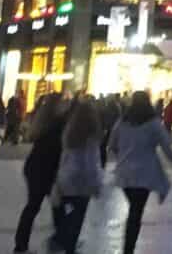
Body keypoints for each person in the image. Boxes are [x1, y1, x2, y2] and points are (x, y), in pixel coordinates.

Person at [110, 90, 172, 254]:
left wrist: (122, 155)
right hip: (144, 174)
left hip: (125, 173)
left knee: (134, 209)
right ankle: (129, 248)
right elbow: (166, 146)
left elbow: (112, 144)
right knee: (136, 212)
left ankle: (128, 247)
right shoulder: (153, 123)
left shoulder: (122, 121)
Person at [13, 93, 70, 254]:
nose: (66, 104)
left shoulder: (44, 120)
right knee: (56, 207)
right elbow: (59, 149)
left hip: (35, 168)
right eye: (63, 102)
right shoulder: (58, 123)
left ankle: (21, 243)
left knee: (35, 206)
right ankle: (61, 241)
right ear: (57, 105)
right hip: (45, 170)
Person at [54, 98, 103, 254]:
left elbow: (64, 156)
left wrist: (59, 178)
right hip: (82, 182)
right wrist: (96, 184)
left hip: (66, 177)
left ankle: (62, 237)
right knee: (78, 216)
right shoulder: (91, 136)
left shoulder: (69, 132)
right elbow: (91, 163)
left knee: (65, 211)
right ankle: (69, 245)